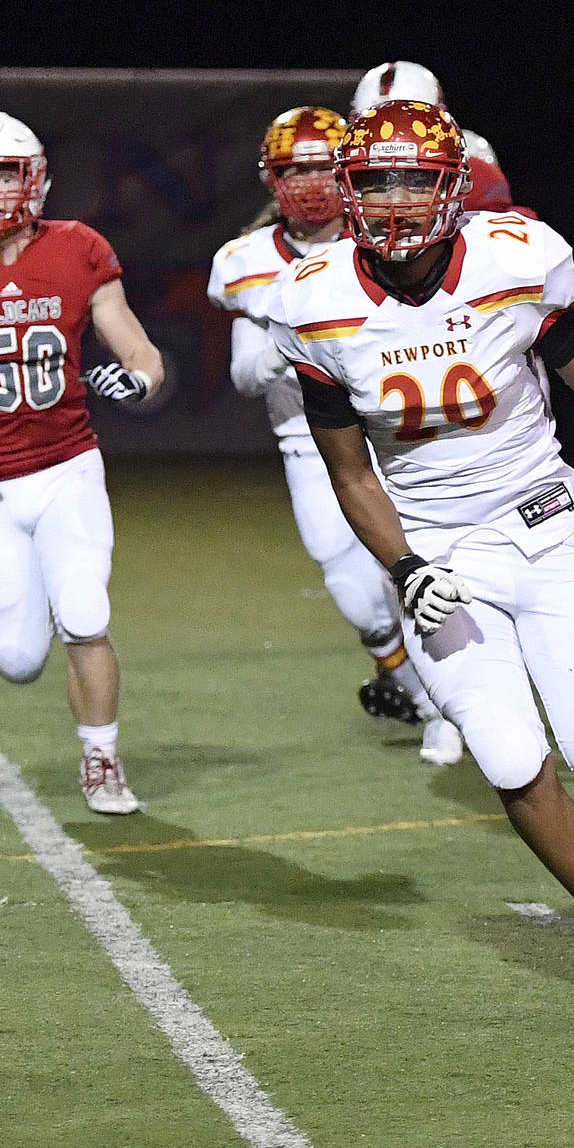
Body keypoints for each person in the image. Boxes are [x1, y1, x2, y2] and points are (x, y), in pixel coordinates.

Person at [268, 100, 574, 1003]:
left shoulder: (516, 263)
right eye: (373, 181)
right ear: (346, 191)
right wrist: (408, 571)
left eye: (414, 178)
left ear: (455, 187)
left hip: (543, 530)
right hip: (440, 555)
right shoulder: (312, 302)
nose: (394, 200)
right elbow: (351, 472)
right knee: (506, 751)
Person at [0, 111, 165, 814]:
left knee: (84, 613)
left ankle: (102, 761)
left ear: (34, 176)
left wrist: (134, 382)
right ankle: (42, 586)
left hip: (69, 465)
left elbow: (143, 355)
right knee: (16, 661)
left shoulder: (79, 249)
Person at [209, 106, 464, 765]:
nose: (310, 181)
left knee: (427, 566)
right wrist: (291, 325)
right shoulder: (245, 262)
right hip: (310, 436)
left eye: (324, 165)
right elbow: (244, 376)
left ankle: (455, 704)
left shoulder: (385, 236)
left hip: (400, 428)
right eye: (296, 168)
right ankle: (417, 689)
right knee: (357, 592)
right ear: (271, 176)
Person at [351, 60, 519, 216]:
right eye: (374, 124)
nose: (391, 133)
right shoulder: (343, 155)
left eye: (407, 122)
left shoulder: (472, 158)